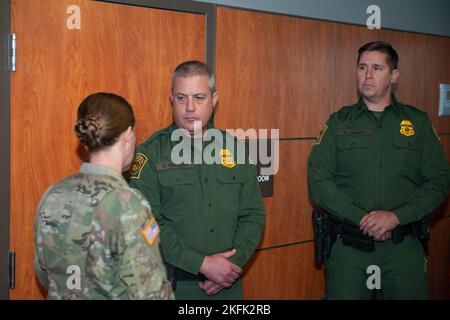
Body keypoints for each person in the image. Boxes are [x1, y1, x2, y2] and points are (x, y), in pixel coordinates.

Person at [308, 41, 450, 299]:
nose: (368, 75)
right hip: (350, 247)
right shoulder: (339, 122)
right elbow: (319, 181)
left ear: (394, 75)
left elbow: (438, 181)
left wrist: (396, 216)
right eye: (362, 67)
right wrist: (362, 217)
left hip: (403, 246)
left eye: (376, 67)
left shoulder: (417, 122)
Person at [129, 61, 266, 299]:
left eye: (199, 97)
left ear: (214, 99)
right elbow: (147, 225)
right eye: (182, 98)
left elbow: (252, 214)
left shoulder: (236, 150)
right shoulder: (149, 154)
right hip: (174, 287)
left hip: (228, 285)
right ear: (171, 99)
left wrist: (229, 266)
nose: (190, 107)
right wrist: (202, 264)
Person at [34, 92, 174, 300]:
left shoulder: (53, 194)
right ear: (128, 136)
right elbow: (151, 293)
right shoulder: (128, 204)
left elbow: (44, 274)